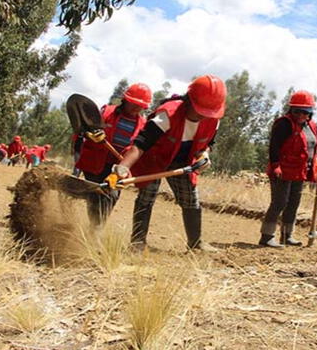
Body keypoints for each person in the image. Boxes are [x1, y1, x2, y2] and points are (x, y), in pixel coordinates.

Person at [105, 75, 225, 252]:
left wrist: (204, 155)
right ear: (189, 100)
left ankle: (196, 243)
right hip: (155, 159)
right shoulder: (167, 115)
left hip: (183, 162)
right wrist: (122, 168)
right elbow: (141, 144)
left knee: (191, 199)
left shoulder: (214, 119)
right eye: (200, 110)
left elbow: (208, 144)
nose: (203, 116)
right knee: (147, 197)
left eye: (207, 112)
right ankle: (138, 242)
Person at [75, 83, 151, 227]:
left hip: (119, 166)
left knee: (111, 196)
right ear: (125, 100)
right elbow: (84, 128)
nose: (136, 108)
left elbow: (139, 149)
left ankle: (96, 227)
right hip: (96, 162)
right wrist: (90, 134)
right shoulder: (106, 112)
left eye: (140, 106)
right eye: (133, 103)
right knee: (95, 194)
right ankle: (94, 228)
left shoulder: (143, 124)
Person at [259, 90, 317, 248]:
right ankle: (267, 236)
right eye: (298, 111)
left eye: (306, 112)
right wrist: (275, 165)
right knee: (279, 202)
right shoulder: (283, 123)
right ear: (291, 110)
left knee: (293, 204)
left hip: (300, 171)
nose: (302, 115)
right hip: (282, 170)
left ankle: (287, 235)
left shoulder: (311, 126)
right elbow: (274, 146)